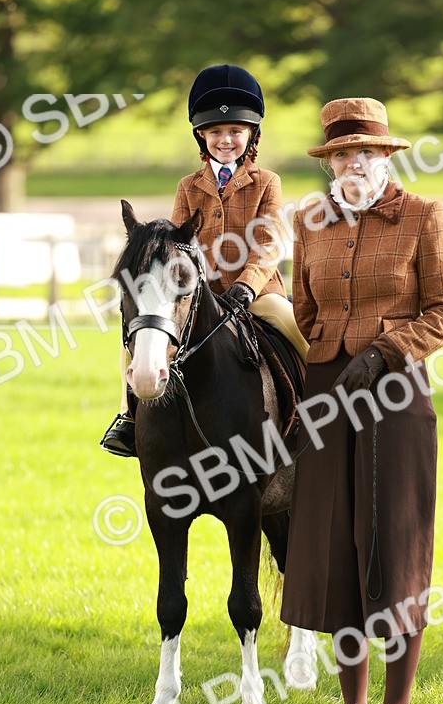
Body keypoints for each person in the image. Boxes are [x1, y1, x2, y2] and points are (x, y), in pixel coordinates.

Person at [280, 97, 443, 704]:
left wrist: (387, 349)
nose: (353, 166)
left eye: (365, 155)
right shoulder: (311, 221)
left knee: (393, 536)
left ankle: (396, 703)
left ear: (385, 158)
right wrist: (327, 359)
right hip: (328, 388)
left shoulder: (422, 216)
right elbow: (304, 309)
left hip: (395, 392)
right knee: (335, 539)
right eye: (341, 157)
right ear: (330, 164)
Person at [100, 63, 308, 457]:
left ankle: (323, 413)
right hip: (198, 297)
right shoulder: (188, 186)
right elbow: (175, 247)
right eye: (216, 132)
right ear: (202, 135)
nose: (225, 140)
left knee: (295, 328)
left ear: (251, 135)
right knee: (139, 337)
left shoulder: (267, 183)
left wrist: (246, 288)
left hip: (259, 293)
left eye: (234, 131)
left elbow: (268, 242)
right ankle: (129, 417)